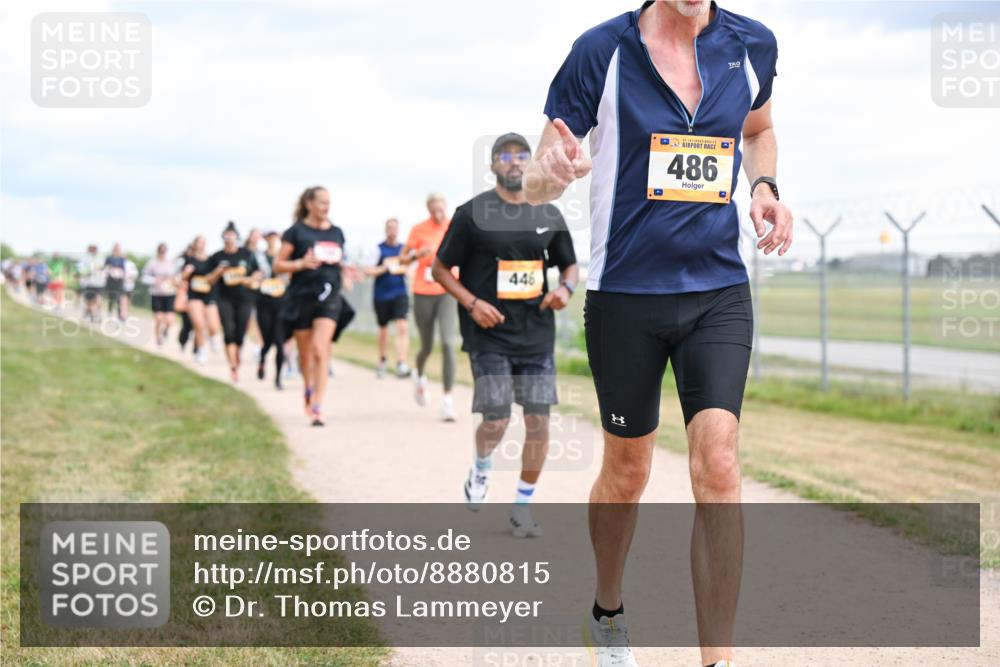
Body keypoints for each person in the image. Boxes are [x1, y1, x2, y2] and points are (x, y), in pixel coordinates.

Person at [523, 2, 792, 666]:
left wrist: (764, 185)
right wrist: (550, 172)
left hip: (718, 291)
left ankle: (716, 660)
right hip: (625, 297)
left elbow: (759, 129)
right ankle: (607, 608)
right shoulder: (601, 50)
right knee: (627, 470)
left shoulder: (751, 43)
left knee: (719, 464)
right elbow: (532, 181)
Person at [434, 132, 578, 538]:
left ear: (530, 164)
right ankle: (481, 468)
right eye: (505, 156)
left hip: (535, 335)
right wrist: (472, 303)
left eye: (521, 156)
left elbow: (569, 266)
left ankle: (522, 506)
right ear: (494, 165)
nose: (513, 162)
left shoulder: (548, 214)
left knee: (538, 422)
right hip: (489, 332)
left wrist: (564, 289)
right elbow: (440, 269)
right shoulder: (472, 213)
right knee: (496, 418)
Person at [274, 186, 358, 426]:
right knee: (306, 355)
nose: (326, 207)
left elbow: (339, 260)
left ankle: (318, 405)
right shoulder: (295, 232)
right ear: (309, 204)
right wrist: (300, 263)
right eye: (322, 202)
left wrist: (346, 271)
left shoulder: (337, 232)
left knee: (321, 350)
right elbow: (278, 266)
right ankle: (308, 388)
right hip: (301, 296)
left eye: (328, 202)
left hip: (329, 296)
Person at [400, 193, 458, 420]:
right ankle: (420, 374)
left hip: (447, 291)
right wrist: (416, 254)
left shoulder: (453, 226)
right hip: (423, 292)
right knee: (427, 345)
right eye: (433, 209)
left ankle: (447, 401)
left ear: (445, 207)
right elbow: (402, 259)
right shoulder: (418, 229)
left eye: (440, 208)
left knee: (447, 343)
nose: (438, 213)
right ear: (428, 209)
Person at [206, 222, 262, 382]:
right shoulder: (216, 257)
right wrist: (217, 272)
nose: (229, 238)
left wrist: (248, 279)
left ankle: (237, 353)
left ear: (237, 237)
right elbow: (208, 280)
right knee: (229, 331)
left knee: (240, 333)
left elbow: (258, 273)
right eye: (227, 235)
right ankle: (233, 366)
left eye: (232, 235)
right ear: (223, 237)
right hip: (224, 299)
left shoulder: (247, 254)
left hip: (245, 299)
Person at [365, 217, 412, 379]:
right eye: (390, 228)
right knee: (383, 330)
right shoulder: (378, 249)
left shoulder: (404, 250)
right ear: (386, 230)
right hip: (382, 294)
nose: (393, 231)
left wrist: (404, 269)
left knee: (402, 326)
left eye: (395, 228)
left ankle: (401, 363)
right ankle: (382, 360)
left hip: (400, 293)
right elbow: (368, 271)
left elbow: (411, 270)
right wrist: (385, 267)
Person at [254, 230, 289, 388]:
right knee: (268, 340)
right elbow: (249, 277)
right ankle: (262, 360)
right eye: (269, 237)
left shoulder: (285, 256)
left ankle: (278, 378)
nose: (272, 240)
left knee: (280, 342)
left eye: (275, 237)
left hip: (282, 303)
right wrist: (254, 278)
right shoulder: (258, 257)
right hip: (264, 303)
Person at [179, 235, 217, 365]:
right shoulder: (189, 259)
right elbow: (182, 278)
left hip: (209, 295)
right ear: (195, 244)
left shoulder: (211, 260)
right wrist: (187, 272)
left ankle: (212, 337)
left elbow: (215, 278)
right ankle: (201, 351)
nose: (202, 245)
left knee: (213, 326)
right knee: (199, 324)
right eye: (199, 242)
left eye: (204, 242)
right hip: (194, 295)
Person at [142, 243, 178, 346]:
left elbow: (177, 276)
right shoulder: (152, 263)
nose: (162, 253)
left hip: (169, 293)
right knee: (158, 318)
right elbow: (144, 277)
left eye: (164, 251)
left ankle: (166, 330)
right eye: (161, 251)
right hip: (156, 293)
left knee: (170, 320)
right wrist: (155, 280)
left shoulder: (171, 263)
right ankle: (158, 338)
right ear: (158, 251)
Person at [77, 245, 105, 322]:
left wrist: (98, 269)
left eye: (95, 249)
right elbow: (81, 269)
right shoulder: (85, 258)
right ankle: (89, 313)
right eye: (92, 249)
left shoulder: (100, 258)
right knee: (89, 301)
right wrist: (86, 272)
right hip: (88, 283)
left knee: (98, 299)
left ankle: (97, 315)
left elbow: (103, 267)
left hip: (99, 283)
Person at [104, 243, 128, 320]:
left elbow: (125, 269)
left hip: (119, 280)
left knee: (119, 298)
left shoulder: (122, 259)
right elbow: (105, 267)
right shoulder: (109, 258)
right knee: (111, 297)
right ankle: (110, 312)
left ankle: (119, 314)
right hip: (111, 280)